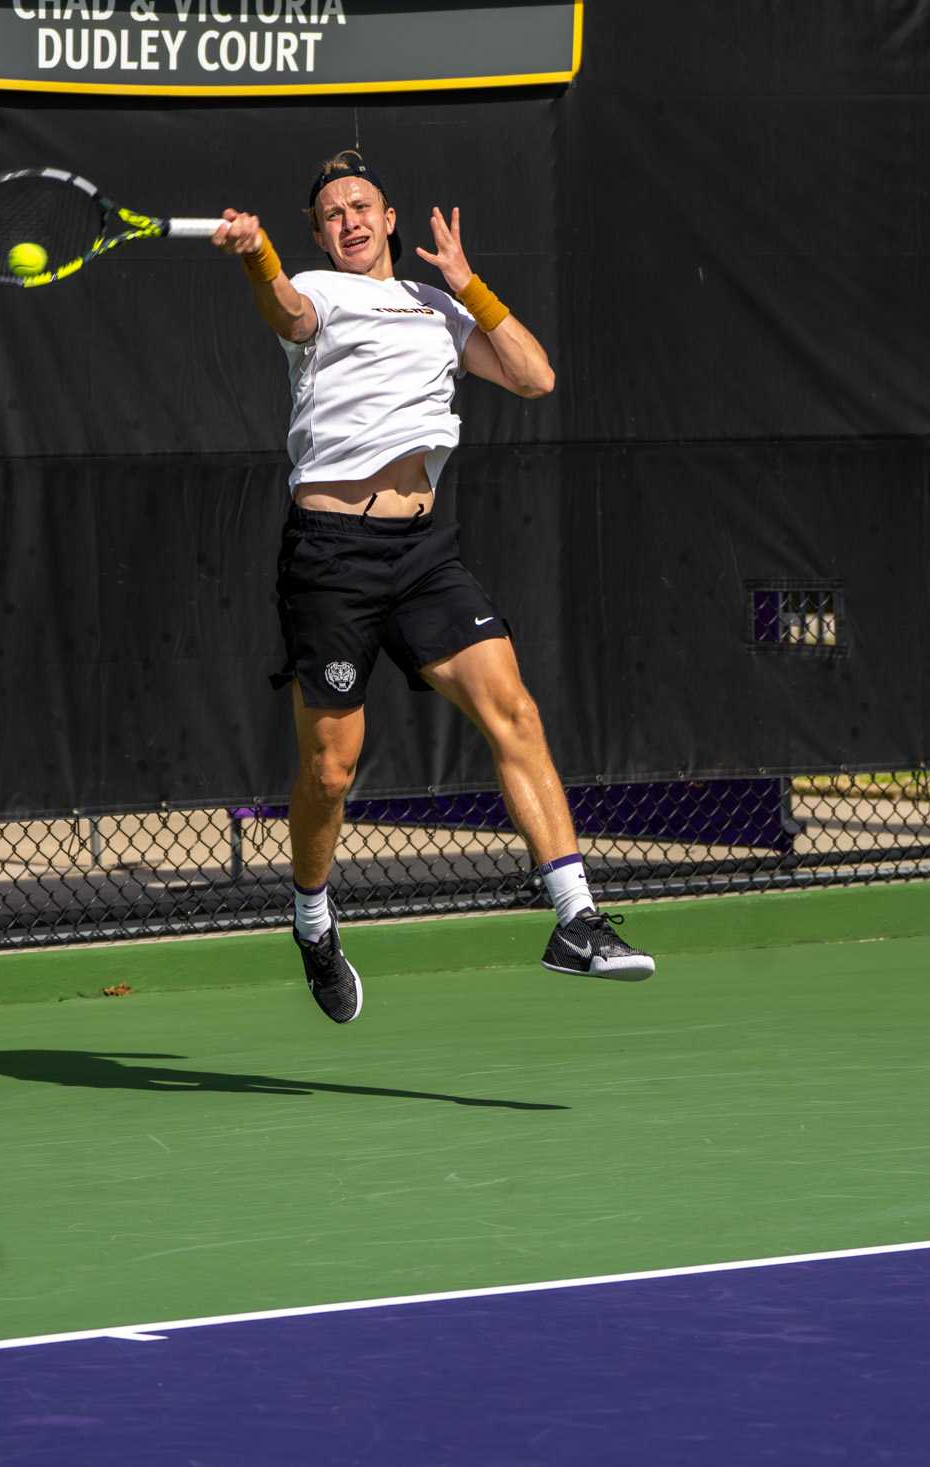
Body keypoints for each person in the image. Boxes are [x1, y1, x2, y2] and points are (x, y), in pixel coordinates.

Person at [210, 150, 654, 1024]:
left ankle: (575, 918)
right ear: (317, 233)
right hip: (331, 558)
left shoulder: (440, 308)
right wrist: (258, 254)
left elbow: (535, 376)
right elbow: (286, 310)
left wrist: (471, 284)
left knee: (514, 711)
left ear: (390, 217)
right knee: (330, 772)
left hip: (421, 552)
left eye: (361, 205)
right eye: (332, 211)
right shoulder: (316, 291)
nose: (348, 219)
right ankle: (311, 919)